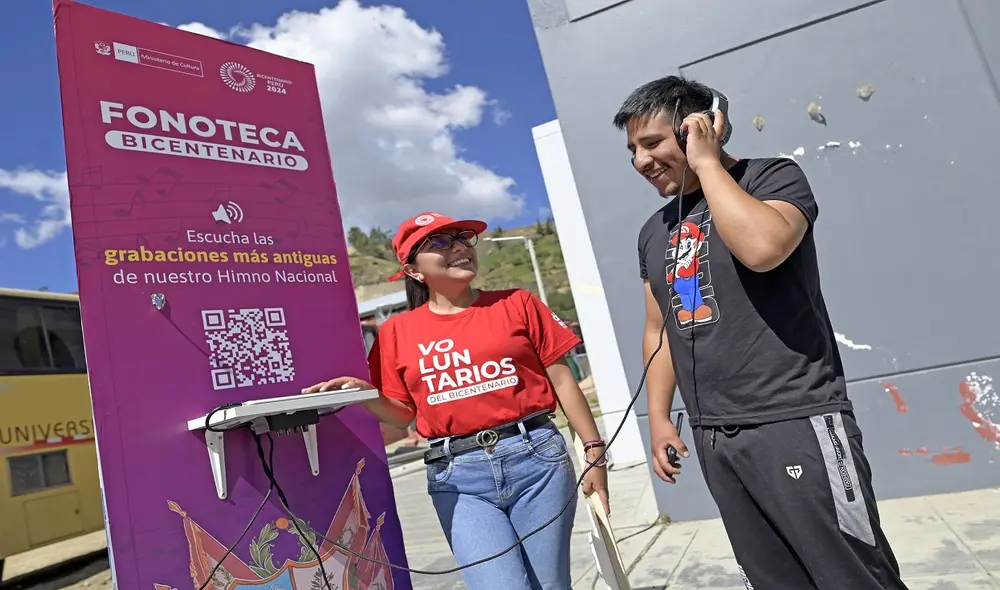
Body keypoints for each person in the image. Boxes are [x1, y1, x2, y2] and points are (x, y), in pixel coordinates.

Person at [613, 75, 908, 589]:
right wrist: (660, 418)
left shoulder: (772, 178)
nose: (641, 161)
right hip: (715, 436)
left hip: (794, 418)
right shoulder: (652, 232)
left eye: (654, 143)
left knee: (851, 575)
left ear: (699, 128)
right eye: (632, 151)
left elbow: (763, 248)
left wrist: (707, 163)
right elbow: (658, 327)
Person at [302, 212, 609, 590]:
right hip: (457, 475)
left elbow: (564, 383)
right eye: (441, 243)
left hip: (537, 461)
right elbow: (403, 416)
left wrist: (594, 451)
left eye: (463, 238)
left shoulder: (519, 303)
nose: (460, 247)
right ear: (413, 271)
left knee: (550, 585)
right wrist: (363, 394)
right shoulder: (396, 331)